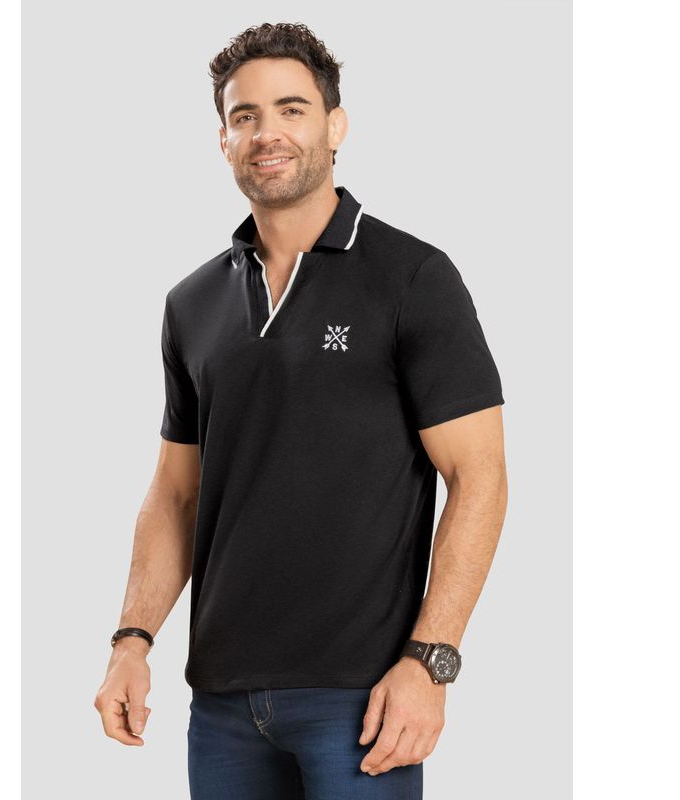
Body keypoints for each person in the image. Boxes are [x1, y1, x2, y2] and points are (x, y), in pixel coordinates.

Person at [94, 21, 508, 800]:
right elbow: (176, 493)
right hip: (221, 704)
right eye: (245, 115)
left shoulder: (412, 276)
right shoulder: (192, 303)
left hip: (362, 699)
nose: (267, 133)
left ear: (335, 125)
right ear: (223, 139)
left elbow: (479, 477)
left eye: (292, 109)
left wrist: (430, 662)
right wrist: (131, 641)